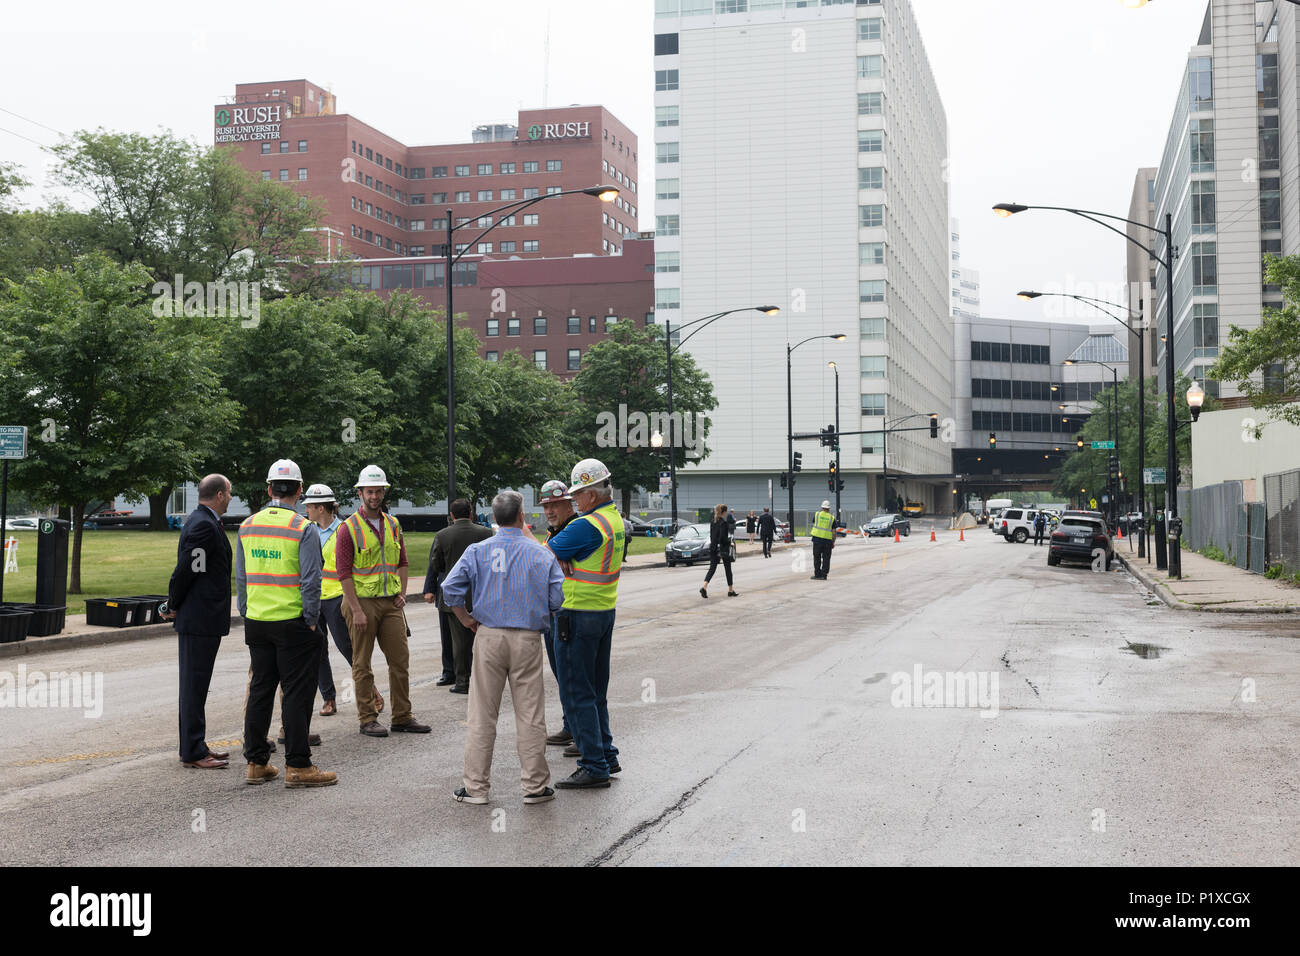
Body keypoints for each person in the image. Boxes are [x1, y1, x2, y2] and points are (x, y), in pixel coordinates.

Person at [442, 491, 565, 805]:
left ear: (494, 518)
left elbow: (450, 590)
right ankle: (535, 787)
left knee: (482, 713)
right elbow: (556, 601)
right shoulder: (541, 553)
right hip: (527, 639)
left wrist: (467, 619)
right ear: (522, 516)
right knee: (530, 714)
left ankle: (476, 788)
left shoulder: (478, 550)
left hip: (489, 635)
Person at [236, 459, 335, 788]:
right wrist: (310, 620)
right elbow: (311, 580)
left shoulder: (248, 525)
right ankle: (298, 765)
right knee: (296, 693)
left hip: (258, 622)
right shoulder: (302, 527)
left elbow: (241, 577)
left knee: (261, 691)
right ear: (300, 489)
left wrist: (246, 611)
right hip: (292, 622)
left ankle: (256, 762)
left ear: (269, 489)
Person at [546, 457, 625, 789]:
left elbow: (541, 555)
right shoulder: (614, 520)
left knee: (577, 691)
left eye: (577, 494)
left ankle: (593, 765)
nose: (573, 500)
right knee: (596, 691)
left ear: (592, 495)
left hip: (576, 615)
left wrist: (557, 553)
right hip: (603, 612)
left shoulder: (584, 526)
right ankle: (606, 754)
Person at [335, 464, 430, 737]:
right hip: (361, 603)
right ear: (360, 493)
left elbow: (402, 561)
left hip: (390, 603)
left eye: (378, 491)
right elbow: (344, 573)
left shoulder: (393, 523)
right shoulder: (348, 528)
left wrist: (401, 592)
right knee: (362, 663)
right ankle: (367, 718)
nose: (374, 496)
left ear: (384, 492)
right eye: (369, 492)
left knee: (400, 660)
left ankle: (402, 716)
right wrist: (356, 609)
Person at [165, 473, 234, 770]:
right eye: (229, 493)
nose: (231, 498)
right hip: (199, 619)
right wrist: (171, 605)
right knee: (194, 686)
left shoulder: (205, 522)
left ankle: (196, 744)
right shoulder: (203, 526)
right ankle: (193, 751)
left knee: (198, 685)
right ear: (219, 495)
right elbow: (187, 571)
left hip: (203, 618)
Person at [302, 484, 380, 717]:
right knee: (317, 650)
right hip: (315, 599)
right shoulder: (309, 531)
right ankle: (328, 698)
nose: (306, 509)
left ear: (321, 508)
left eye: (309, 506)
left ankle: (371, 691)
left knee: (348, 648)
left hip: (338, 598)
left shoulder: (344, 530)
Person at [430, 499, 494, 695]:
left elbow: (436, 564)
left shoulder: (442, 535)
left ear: (452, 515)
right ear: (472, 513)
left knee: (459, 643)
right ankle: (485, 679)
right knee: (483, 640)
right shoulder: (485, 533)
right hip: (480, 595)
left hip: (454, 597)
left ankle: (462, 681)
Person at [538, 479, 577, 747]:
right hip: (553, 614)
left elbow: (542, 558)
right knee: (561, 673)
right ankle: (570, 724)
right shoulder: (553, 535)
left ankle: (581, 732)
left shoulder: (575, 529)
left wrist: (550, 556)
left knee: (573, 675)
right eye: (546, 506)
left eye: (555, 505)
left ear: (569, 503)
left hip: (571, 612)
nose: (550, 511)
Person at [422, 536, 456, 688]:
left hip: (445, 591)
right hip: (467, 592)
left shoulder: (441, 536)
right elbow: (434, 563)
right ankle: (455, 672)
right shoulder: (443, 536)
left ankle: (450, 672)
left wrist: (429, 589)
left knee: (447, 635)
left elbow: (433, 565)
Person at [699, 504, 738, 599]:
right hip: (722, 548)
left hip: (713, 547)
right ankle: (730, 590)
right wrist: (730, 543)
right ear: (724, 512)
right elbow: (723, 538)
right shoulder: (723, 523)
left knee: (712, 568)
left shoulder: (713, 521)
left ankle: (704, 586)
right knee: (728, 569)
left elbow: (713, 536)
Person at [811, 499, 835, 580]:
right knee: (826, 558)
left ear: (822, 507)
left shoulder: (817, 515)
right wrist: (833, 541)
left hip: (817, 540)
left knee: (817, 557)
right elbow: (834, 532)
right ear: (829, 508)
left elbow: (814, 523)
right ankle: (824, 575)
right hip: (827, 541)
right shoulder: (832, 518)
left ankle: (817, 574)